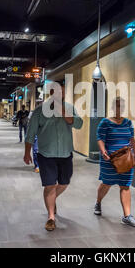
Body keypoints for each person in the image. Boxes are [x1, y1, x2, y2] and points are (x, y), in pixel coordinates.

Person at [24, 81, 83, 231]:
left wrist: (63, 112)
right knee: (50, 185)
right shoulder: (39, 111)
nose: (60, 95)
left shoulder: (69, 108)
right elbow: (30, 133)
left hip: (65, 153)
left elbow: (78, 124)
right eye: (57, 93)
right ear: (51, 93)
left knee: (64, 182)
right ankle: (51, 217)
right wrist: (27, 152)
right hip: (46, 154)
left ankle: (51, 199)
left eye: (63, 93)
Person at [94, 97, 135, 227]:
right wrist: (103, 151)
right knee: (106, 183)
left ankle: (127, 216)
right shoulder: (105, 122)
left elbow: (132, 140)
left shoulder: (128, 123)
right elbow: (100, 138)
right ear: (112, 108)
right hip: (109, 160)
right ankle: (98, 202)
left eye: (121, 106)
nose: (119, 109)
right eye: (116, 106)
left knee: (125, 185)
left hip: (126, 159)